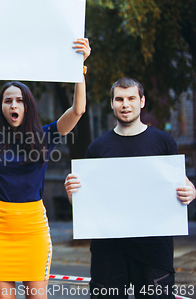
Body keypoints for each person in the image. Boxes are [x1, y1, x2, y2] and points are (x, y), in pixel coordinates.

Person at [0, 37, 91, 299]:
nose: (14, 105)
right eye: (8, 101)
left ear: (27, 105)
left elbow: (78, 110)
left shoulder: (45, 135)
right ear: (2, 107)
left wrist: (80, 69)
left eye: (19, 100)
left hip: (34, 228)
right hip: (0, 229)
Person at [65, 77, 196, 299]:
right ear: (112, 103)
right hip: (108, 252)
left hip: (154, 251)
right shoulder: (98, 148)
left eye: (131, 98)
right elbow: (83, 203)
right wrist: (72, 194)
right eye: (119, 99)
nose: (125, 104)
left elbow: (181, 183)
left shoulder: (163, 142)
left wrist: (191, 191)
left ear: (142, 102)